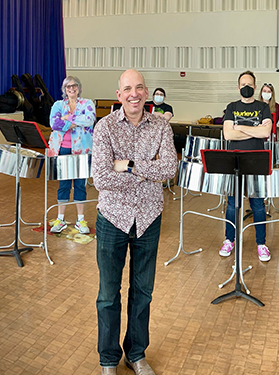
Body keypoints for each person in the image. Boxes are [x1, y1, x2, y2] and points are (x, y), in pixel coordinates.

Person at [91, 69, 177, 375]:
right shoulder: (104, 128)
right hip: (112, 218)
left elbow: (169, 168)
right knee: (107, 294)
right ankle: (109, 360)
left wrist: (127, 166)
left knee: (143, 292)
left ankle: (136, 353)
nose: (134, 94)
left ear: (147, 92)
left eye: (139, 87)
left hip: (149, 218)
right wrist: (145, 173)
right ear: (119, 95)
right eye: (128, 88)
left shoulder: (161, 127)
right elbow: (100, 177)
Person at [220, 70, 273, 262]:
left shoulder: (263, 107)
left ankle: (261, 244)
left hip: (256, 161)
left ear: (255, 86)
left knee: (257, 204)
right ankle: (229, 240)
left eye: (249, 84)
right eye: (243, 85)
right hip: (235, 161)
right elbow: (228, 135)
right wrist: (254, 130)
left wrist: (240, 127)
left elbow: (266, 131)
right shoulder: (232, 107)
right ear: (238, 87)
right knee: (233, 204)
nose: (246, 88)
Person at [47, 76, 96, 234]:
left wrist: (67, 119)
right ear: (64, 89)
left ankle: (80, 220)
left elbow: (89, 120)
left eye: (74, 86)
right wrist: (72, 121)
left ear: (79, 88)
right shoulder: (58, 105)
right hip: (62, 149)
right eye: (68, 86)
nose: (71, 88)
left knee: (80, 185)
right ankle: (60, 219)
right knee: (64, 185)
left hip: (82, 149)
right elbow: (54, 124)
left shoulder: (87, 103)